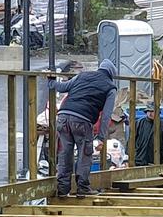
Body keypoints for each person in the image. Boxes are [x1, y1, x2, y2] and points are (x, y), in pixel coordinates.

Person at [49, 61, 116, 199]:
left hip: (63, 117)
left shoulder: (82, 75)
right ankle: (83, 188)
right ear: (111, 75)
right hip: (82, 120)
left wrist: (51, 82)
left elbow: (62, 87)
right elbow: (106, 116)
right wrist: (101, 138)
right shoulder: (110, 87)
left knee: (65, 153)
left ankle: (62, 189)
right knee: (84, 155)